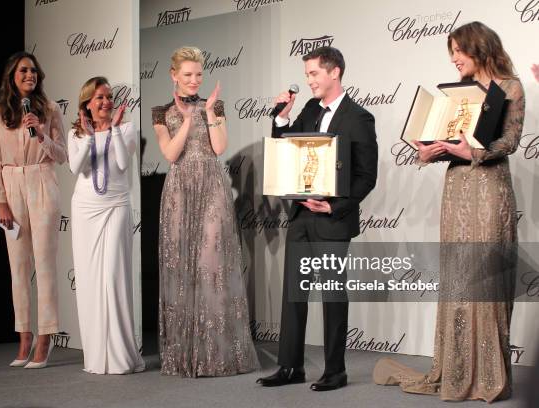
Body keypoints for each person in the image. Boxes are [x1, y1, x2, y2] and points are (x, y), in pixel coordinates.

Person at [374, 21, 526, 402]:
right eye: (451, 53)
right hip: (457, 188)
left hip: (489, 189)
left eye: (459, 51)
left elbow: (509, 141)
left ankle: (489, 374)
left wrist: (470, 152)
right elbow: (449, 142)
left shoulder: (510, 87)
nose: (454, 59)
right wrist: (431, 150)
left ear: (479, 47)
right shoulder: (457, 96)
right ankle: (457, 369)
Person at [256, 46, 378, 391]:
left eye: (313, 74)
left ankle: (335, 370)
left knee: (332, 296)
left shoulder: (359, 118)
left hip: (332, 219)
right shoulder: (309, 109)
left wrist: (334, 207)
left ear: (334, 72)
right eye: (307, 74)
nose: (308, 80)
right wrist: (281, 119)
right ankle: (290, 366)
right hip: (300, 216)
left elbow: (367, 176)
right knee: (294, 294)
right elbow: (286, 150)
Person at [151, 46, 259, 377]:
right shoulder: (161, 112)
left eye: (199, 74)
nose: (195, 80)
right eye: (187, 75)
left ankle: (217, 353)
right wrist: (185, 120)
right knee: (182, 268)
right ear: (174, 76)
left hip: (212, 186)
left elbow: (219, 147)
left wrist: (209, 113)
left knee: (211, 263)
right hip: (180, 191)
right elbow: (170, 153)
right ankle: (185, 354)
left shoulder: (216, 106)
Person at [0, 51, 66, 368]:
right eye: (24, 70)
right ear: (12, 76)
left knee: (45, 264)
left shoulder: (49, 110)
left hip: (42, 180)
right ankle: (24, 335)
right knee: (18, 267)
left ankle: (46, 336)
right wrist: (0, 202)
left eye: (34, 70)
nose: (30, 75)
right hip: (12, 186)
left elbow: (61, 155)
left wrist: (42, 132)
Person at [69, 76, 145, 374]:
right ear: (87, 103)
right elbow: (77, 168)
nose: (105, 102)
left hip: (115, 206)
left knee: (113, 277)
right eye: (99, 97)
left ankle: (120, 356)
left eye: (109, 96)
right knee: (89, 282)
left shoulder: (126, 128)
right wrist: (90, 136)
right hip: (85, 208)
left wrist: (112, 130)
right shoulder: (76, 133)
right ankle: (96, 357)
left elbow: (125, 165)